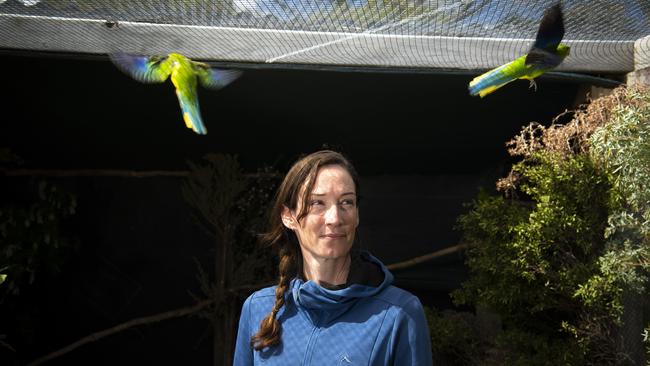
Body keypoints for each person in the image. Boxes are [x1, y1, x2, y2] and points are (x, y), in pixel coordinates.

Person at [233, 150, 433, 366]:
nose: (335, 218)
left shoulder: (399, 312)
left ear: (357, 215)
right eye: (317, 203)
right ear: (288, 216)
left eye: (346, 202)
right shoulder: (257, 308)